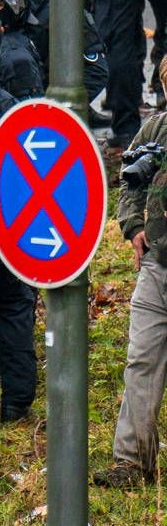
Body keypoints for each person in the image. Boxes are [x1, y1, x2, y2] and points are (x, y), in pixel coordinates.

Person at [108, 50, 167, 486]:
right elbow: (130, 180)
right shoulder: (156, 128)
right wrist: (133, 227)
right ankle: (131, 463)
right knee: (141, 360)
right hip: (157, 266)